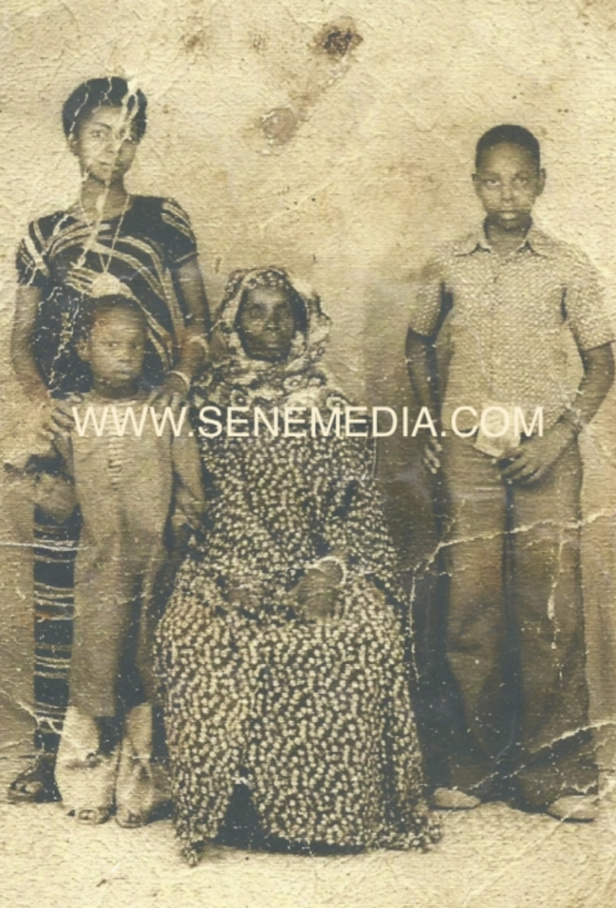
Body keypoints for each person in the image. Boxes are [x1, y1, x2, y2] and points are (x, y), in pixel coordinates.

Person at [156, 267, 440, 865]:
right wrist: (248, 573)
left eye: (281, 312)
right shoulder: (211, 401)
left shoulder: (331, 401)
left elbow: (352, 496)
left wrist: (330, 569)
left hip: (324, 557)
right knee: (198, 632)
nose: (268, 325)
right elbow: (218, 496)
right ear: (234, 321)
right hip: (228, 558)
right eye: (254, 312)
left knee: (363, 630)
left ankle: (332, 818)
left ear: (302, 320)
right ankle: (240, 811)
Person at [9, 76, 209, 803]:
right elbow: (21, 341)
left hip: (150, 428)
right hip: (74, 432)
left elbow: (197, 322)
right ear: (71, 139)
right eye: (99, 132)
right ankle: (51, 756)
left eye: (126, 133)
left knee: (149, 591)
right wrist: (45, 408)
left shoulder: (163, 221)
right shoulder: (40, 234)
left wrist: (181, 381)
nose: (112, 147)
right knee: (66, 589)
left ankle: (148, 767)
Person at [405, 125, 614, 821]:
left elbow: (602, 364)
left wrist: (557, 438)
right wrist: (438, 422)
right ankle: (470, 763)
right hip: (471, 451)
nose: (507, 194)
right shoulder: (447, 264)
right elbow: (417, 344)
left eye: (520, 180)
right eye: (493, 180)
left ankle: (554, 771)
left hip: (545, 453)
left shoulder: (567, 265)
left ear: (541, 183)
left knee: (547, 605)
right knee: (470, 602)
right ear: (474, 184)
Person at [29, 296, 204, 826]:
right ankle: (88, 787)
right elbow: (58, 498)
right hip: (99, 570)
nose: (124, 356)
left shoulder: (164, 413)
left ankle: (141, 792)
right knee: (96, 673)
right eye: (110, 345)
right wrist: (34, 470)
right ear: (84, 349)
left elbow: (191, 493)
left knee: (146, 674)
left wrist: (174, 542)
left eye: (134, 345)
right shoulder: (70, 418)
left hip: (156, 569)